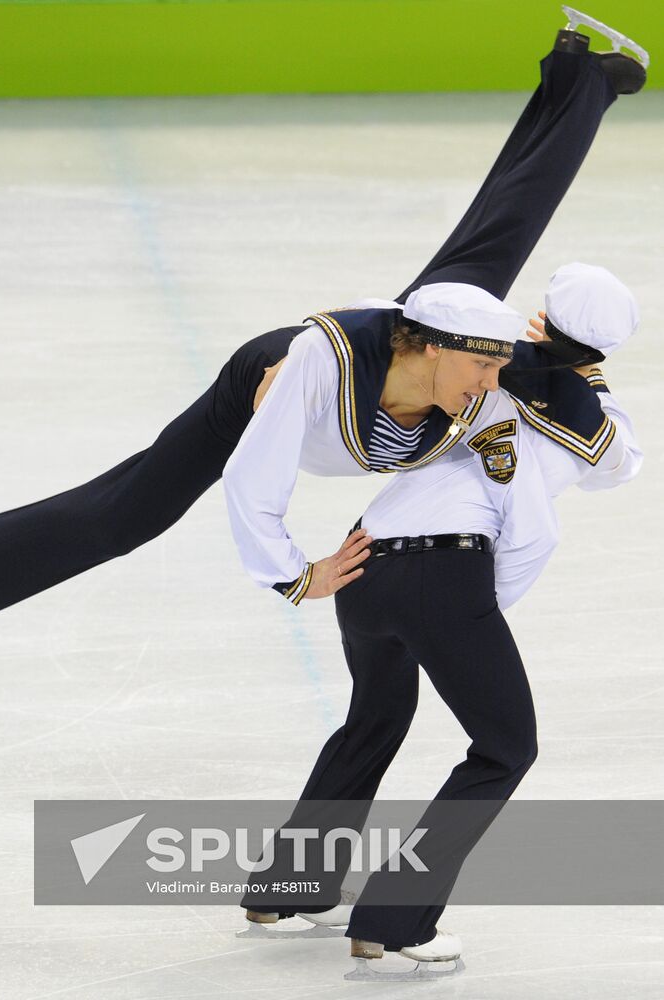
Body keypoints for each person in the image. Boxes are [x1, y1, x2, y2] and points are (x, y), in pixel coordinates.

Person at [0, 13, 644, 699]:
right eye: (482, 367)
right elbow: (254, 480)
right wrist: (293, 576)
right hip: (280, 373)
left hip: (402, 338)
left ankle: (581, 78)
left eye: (499, 362)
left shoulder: (491, 356)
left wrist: (570, 357)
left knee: (500, 237)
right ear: (440, 347)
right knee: (126, 514)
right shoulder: (315, 371)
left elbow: (600, 431)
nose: (490, 382)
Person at [239, 263, 642, 982]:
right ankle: (396, 922)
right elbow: (597, 480)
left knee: (375, 718)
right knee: (505, 746)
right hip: (446, 575)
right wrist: (471, 619)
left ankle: (288, 890)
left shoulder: (478, 372)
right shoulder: (569, 414)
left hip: (365, 562)